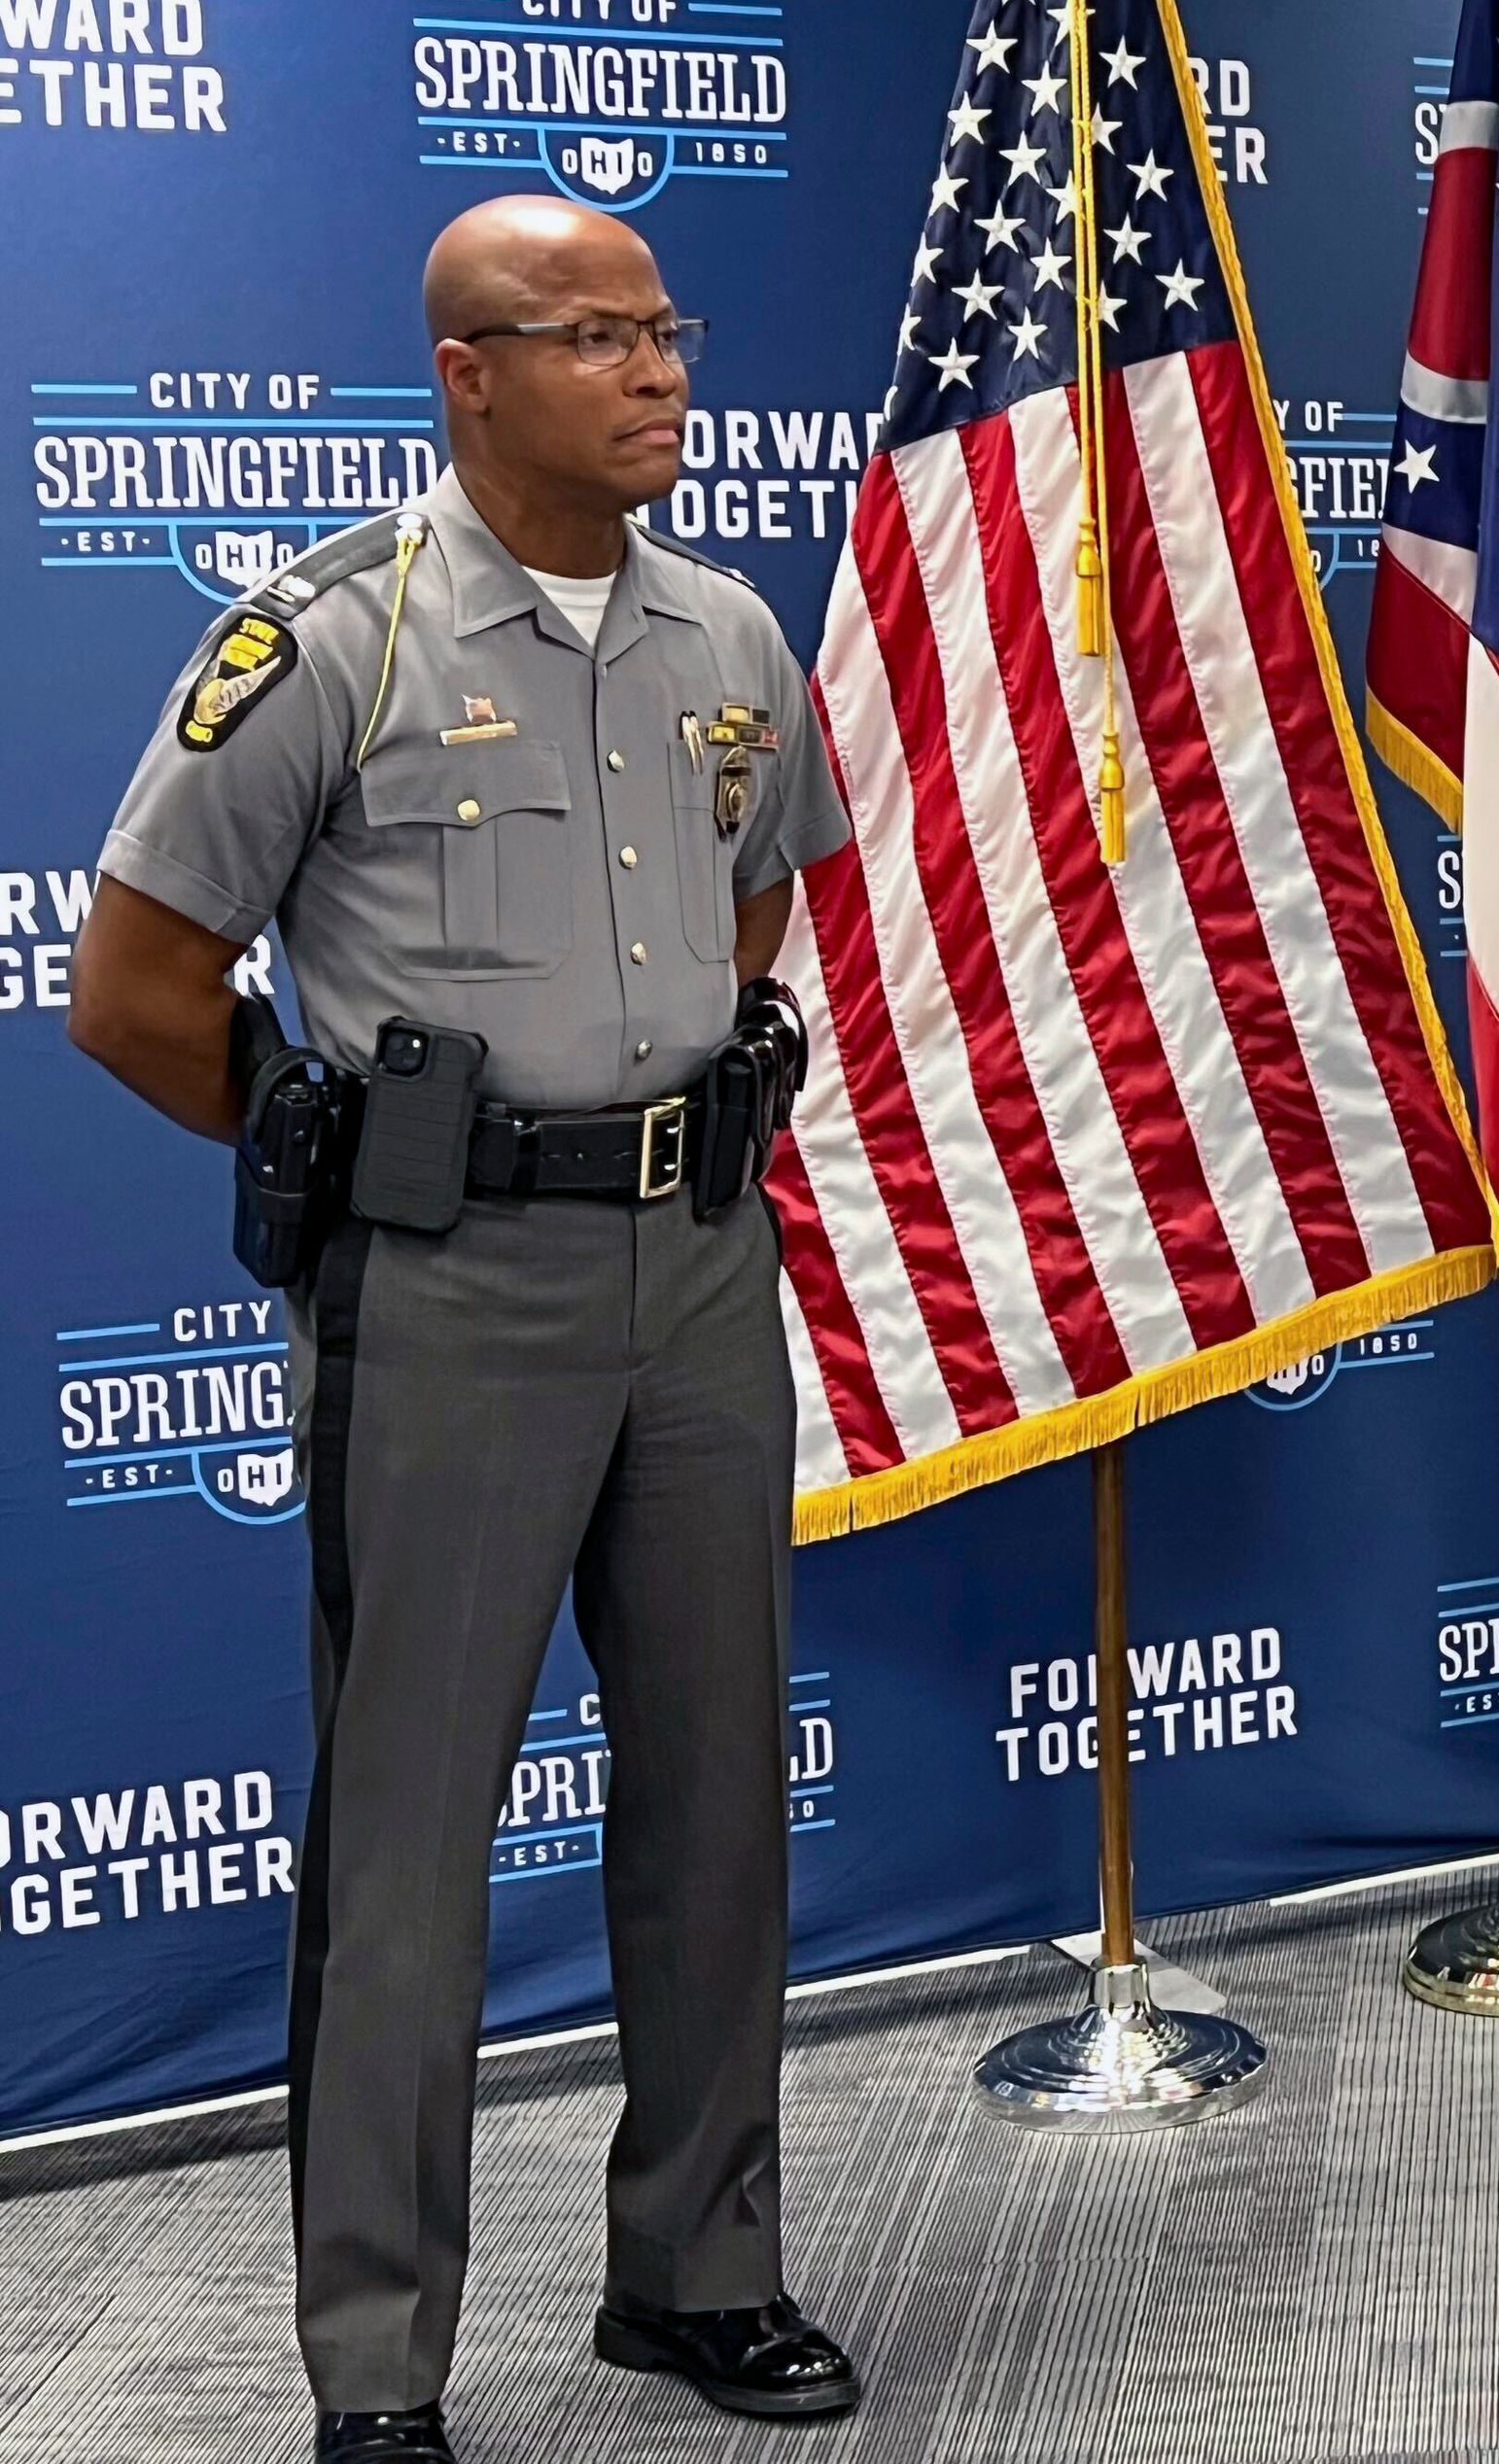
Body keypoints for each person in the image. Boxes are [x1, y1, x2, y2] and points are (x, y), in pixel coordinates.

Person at [68, 197, 859, 2463]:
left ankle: (698, 2271)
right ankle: (380, 2365)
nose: (654, 373)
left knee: (718, 1794)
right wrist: (370, 1162)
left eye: (664, 330)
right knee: (411, 1838)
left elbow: (755, 884)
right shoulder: (331, 641)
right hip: (453, 1300)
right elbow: (131, 986)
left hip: (700, 1267)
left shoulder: (727, 626)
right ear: (468, 374)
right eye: (591, 336)